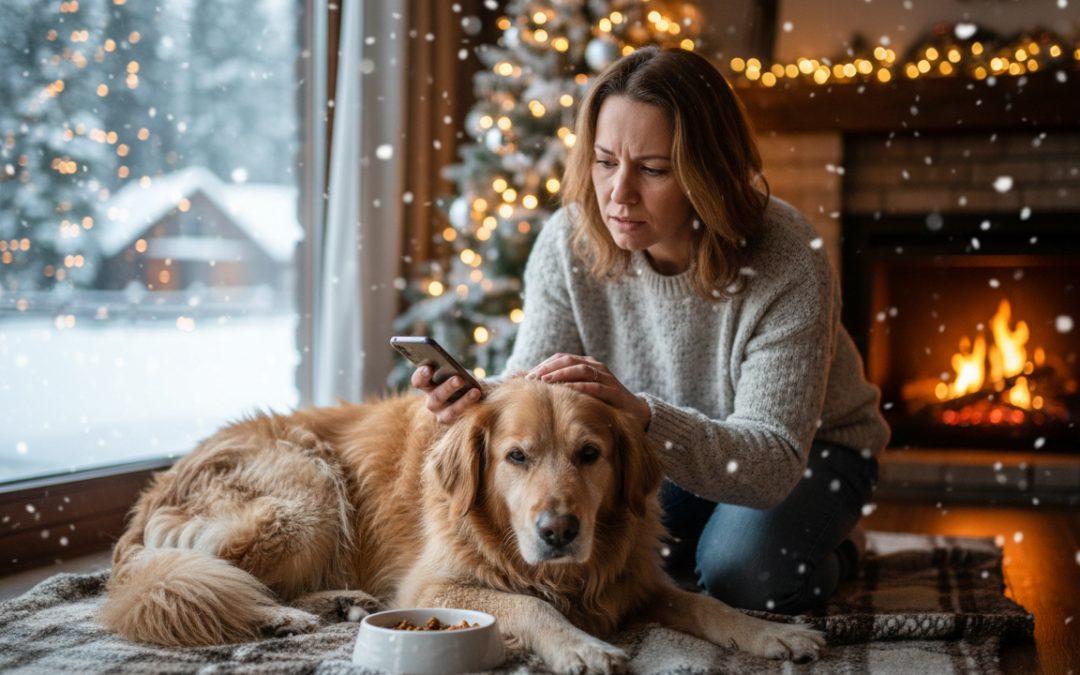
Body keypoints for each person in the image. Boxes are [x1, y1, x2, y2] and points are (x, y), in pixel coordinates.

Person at [412, 45, 889, 614]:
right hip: (666, 451)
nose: (618, 194)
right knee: (620, 560)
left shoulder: (787, 256)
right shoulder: (568, 242)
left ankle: (843, 549)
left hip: (807, 453)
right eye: (605, 160)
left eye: (654, 169)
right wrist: (474, 397)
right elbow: (533, 381)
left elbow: (769, 466)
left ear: (707, 172)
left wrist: (643, 416)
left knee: (746, 576)